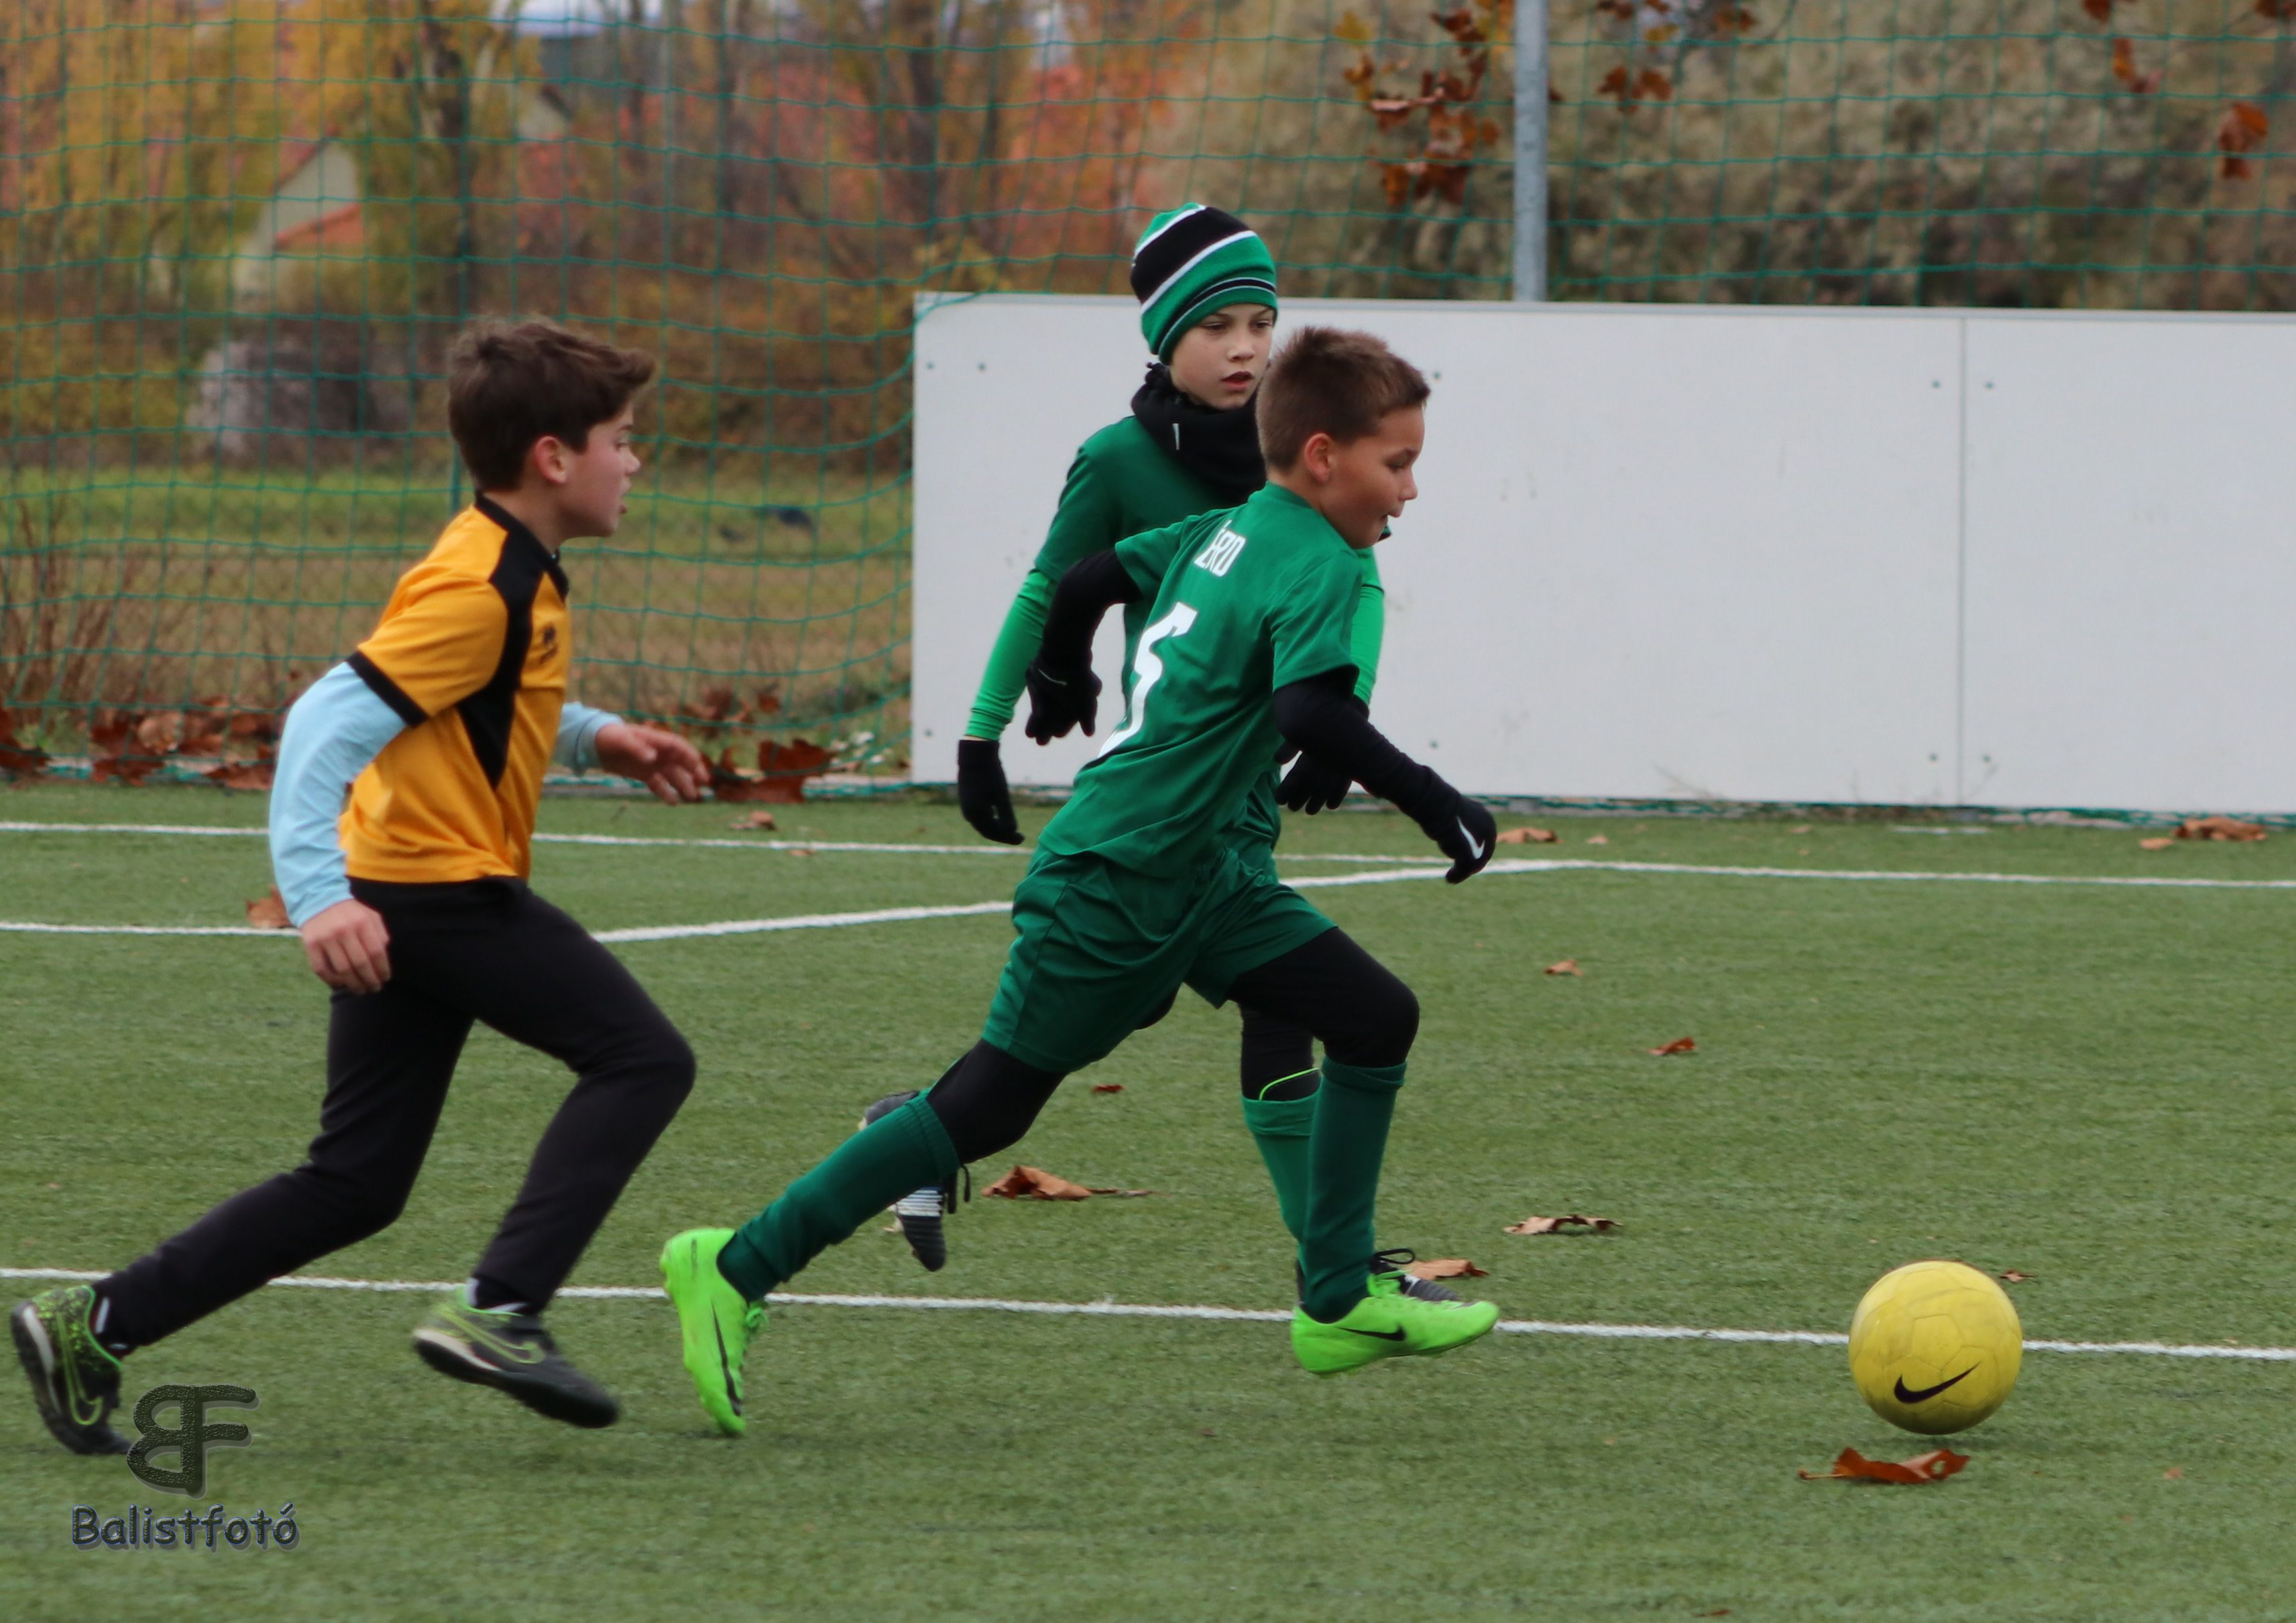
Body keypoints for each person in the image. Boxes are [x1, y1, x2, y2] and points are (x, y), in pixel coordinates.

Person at [661, 326, 1501, 1437]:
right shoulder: (1321, 556)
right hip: (1121, 874)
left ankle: (1340, 1297)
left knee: (1372, 1014)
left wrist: (1063, 667)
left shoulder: (1228, 527)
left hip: (1203, 871)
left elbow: (1093, 578)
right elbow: (1308, 709)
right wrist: (1440, 802)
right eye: (1397, 463)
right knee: (989, 1106)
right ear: (1321, 455)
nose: (1410, 489)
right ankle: (734, 1263)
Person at [11, 318, 711, 1452]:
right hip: (438, 895)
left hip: (406, 893)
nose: (635, 461)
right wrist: (317, 895)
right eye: (622, 439)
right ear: (553, 457)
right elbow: (321, 724)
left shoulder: (503, 561)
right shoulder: (484, 582)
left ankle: (93, 1322)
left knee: (357, 1181)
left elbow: (468, 697)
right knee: (643, 1058)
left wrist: (596, 737)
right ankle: (501, 1309)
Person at [905, 204, 1424, 1295]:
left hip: (1240, 797)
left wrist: (1347, 708)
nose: (1245, 348)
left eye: (1260, 324)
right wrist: (981, 734)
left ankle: (1335, 1273)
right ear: (1164, 337)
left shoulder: (1307, 447)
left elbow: (1361, 583)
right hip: (1166, 803)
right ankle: (911, 1134)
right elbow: (1052, 587)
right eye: (1216, 326)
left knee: (1289, 1015)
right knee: (1053, 1054)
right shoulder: (1118, 460)